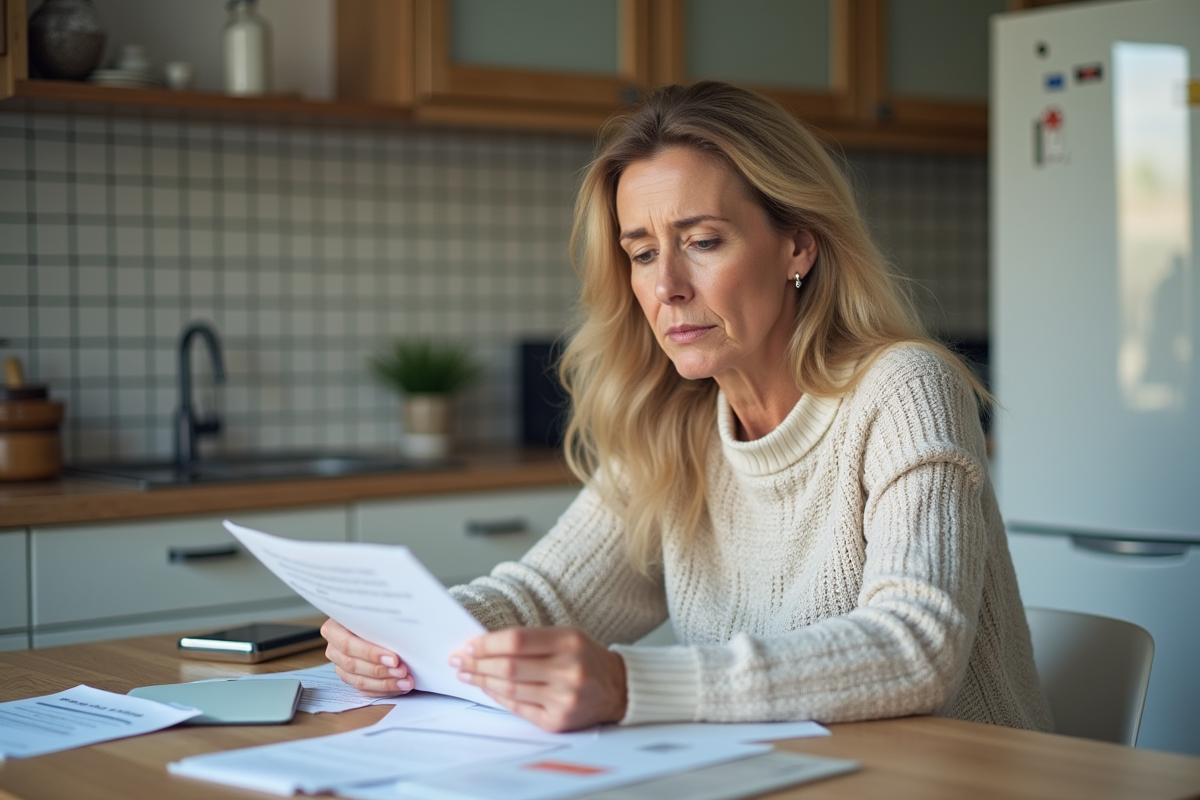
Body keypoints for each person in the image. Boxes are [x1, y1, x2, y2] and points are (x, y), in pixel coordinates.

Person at [323, 81, 1053, 734]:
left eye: (702, 241)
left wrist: (627, 683)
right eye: (641, 253)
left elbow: (914, 648)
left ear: (798, 245)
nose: (667, 285)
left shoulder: (904, 388)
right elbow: (549, 594)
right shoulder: (671, 421)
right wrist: (407, 635)